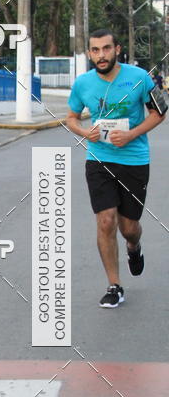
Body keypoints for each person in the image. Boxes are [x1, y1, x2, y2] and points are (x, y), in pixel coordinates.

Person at [66, 29, 166, 308]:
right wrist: (84, 132)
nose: (101, 55)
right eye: (95, 50)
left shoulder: (139, 77)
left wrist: (132, 134)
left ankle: (134, 247)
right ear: (89, 53)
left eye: (106, 48)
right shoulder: (83, 83)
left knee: (129, 228)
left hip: (134, 160)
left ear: (117, 49)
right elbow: (71, 117)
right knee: (106, 220)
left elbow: (160, 111)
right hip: (99, 159)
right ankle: (114, 285)